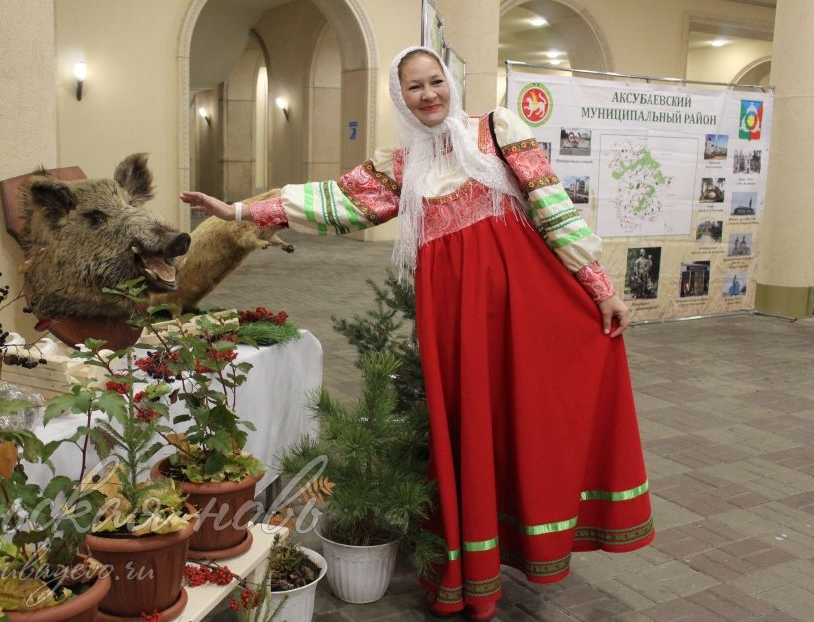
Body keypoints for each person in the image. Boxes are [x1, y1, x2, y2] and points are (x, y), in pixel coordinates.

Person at [182, 46, 653, 622]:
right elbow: (333, 203)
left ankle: (534, 538)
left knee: (526, 416)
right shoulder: (401, 168)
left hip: (524, 304)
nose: (428, 94)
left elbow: (554, 206)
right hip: (452, 315)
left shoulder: (497, 131)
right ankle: (475, 566)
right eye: (414, 87)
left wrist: (600, 286)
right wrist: (238, 212)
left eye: (436, 82)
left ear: (451, 83)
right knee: (467, 427)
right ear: (398, 96)